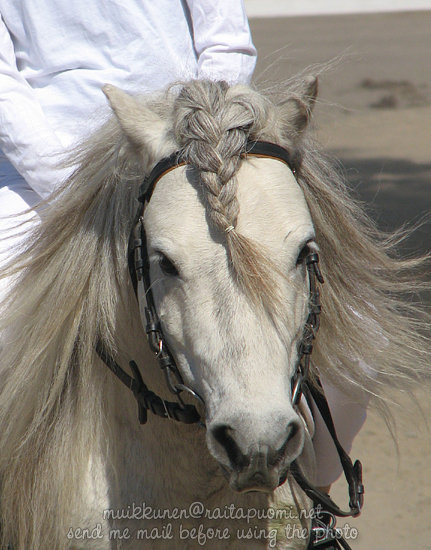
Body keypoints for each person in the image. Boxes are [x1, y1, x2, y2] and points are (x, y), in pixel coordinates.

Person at [0, 0, 365, 500]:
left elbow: (224, 38)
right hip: (45, 170)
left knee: (357, 343)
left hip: (190, 143)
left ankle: (319, 496)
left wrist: (206, 131)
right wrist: (76, 189)